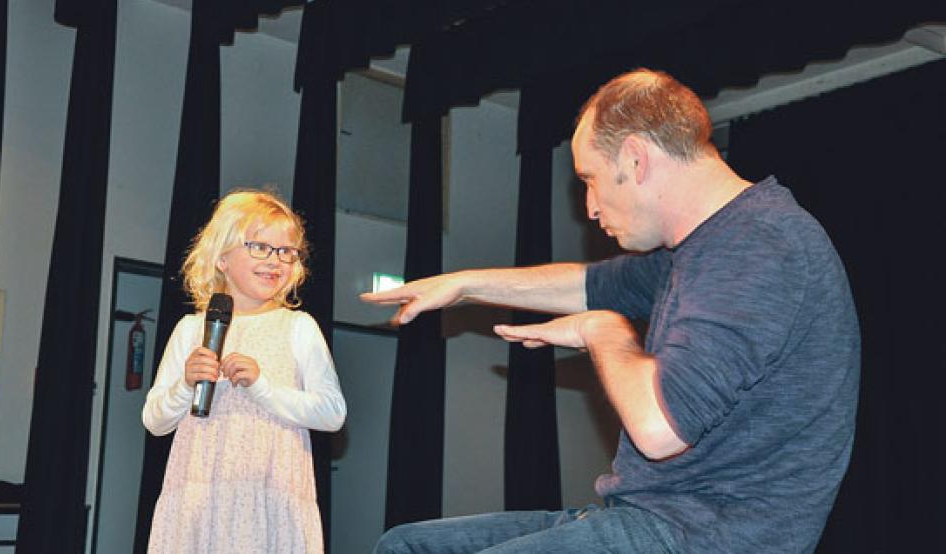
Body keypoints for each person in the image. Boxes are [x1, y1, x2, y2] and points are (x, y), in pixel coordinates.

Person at [363, 69, 859, 553]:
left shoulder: (758, 244)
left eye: (591, 179)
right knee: (408, 544)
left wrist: (603, 332)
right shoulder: (698, 251)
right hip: (652, 519)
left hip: (708, 535)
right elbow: (586, 286)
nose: (590, 206)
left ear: (636, 159)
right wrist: (464, 285)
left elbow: (659, 430)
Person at [142, 189, 347, 553]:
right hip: (198, 502)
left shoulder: (298, 327)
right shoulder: (192, 329)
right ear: (221, 257)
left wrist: (262, 386)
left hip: (272, 501)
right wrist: (185, 386)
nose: (275, 261)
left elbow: (332, 414)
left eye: (286, 251)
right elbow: (155, 421)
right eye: (259, 247)